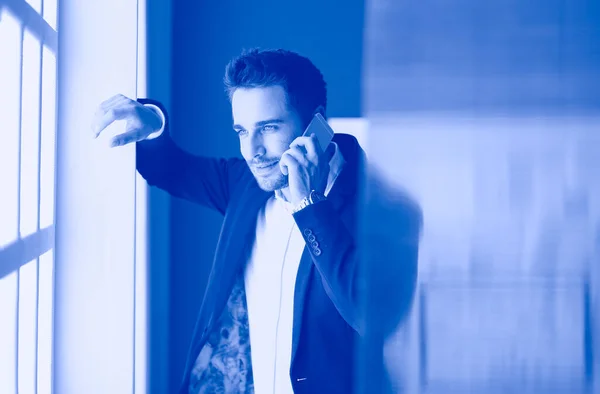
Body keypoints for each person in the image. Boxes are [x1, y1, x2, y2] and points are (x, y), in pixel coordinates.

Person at [93, 48, 422, 394]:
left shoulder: (388, 208)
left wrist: (310, 205)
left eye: (267, 128)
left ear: (316, 123)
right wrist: (153, 123)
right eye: (241, 131)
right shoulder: (246, 185)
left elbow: (373, 316)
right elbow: (172, 169)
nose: (252, 150)